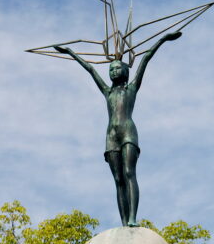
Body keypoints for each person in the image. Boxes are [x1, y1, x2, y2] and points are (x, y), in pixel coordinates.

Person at [54, 30, 182, 227]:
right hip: (111, 136)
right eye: (111, 69)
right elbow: (89, 69)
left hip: (128, 133)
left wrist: (163, 39)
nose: (113, 71)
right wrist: (70, 52)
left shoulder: (131, 88)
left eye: (117, 68)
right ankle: (124, 222)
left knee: (130, 172)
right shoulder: (107, 92)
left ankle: (132, 218)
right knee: (118, 179)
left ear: (126, 71)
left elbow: (146, 58)